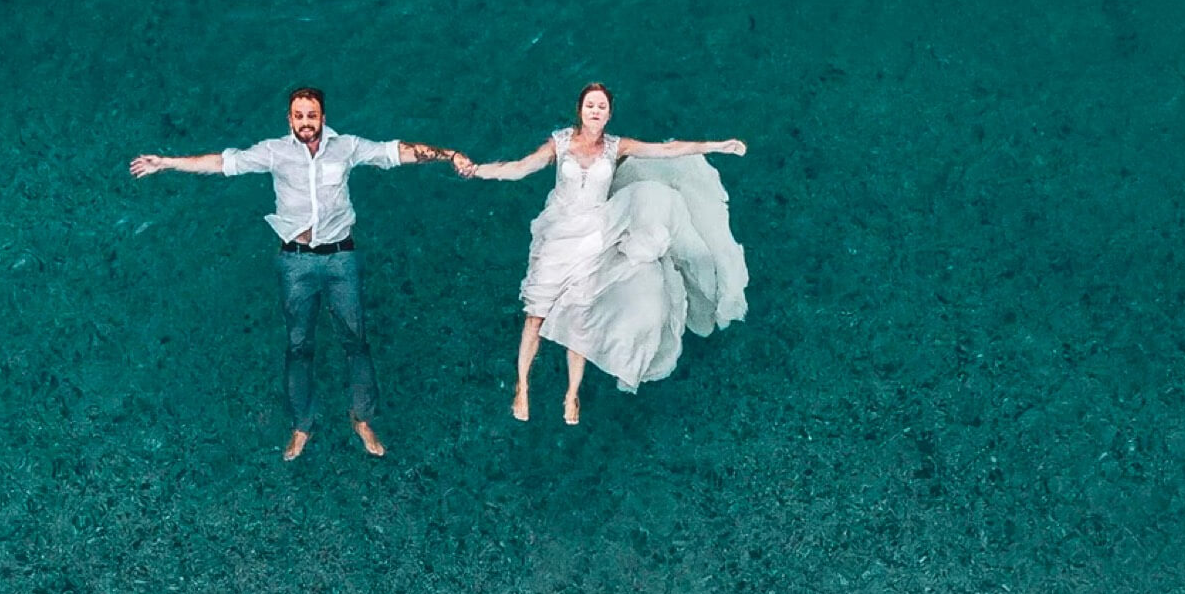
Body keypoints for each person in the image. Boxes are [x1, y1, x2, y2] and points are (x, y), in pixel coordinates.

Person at [129, 87, 472, 460]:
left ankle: (362, 418)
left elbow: (396, 152)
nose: (305, 123)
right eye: (299, 115)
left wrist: (448, 155)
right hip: (295, 262)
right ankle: (301, 425)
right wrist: (166, 162)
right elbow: (224, 163)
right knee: (298, 346)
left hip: (342, 257)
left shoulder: (348, 147)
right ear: (289, 119)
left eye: (312, 115)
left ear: (323, 118)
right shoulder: (275, 152)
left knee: (356, 342)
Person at [460, 83, 749, 424]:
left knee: (580, 313)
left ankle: (572, 394)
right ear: (579, 110)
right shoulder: (561, 142)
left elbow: (666, 151)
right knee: (535, 314)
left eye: (601, 107)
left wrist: (720, 146)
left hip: (595, 235)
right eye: (589, 105)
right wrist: (479, 170)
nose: (595, 111)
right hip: (559, 234)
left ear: (609, 114)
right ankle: (521, 386)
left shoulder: (616, 146)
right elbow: (522, 167)